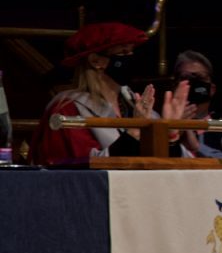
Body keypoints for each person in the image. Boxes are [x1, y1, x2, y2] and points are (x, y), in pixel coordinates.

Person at [31, 22, 189, 165]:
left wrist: (170, 134)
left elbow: (167, 166)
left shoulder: (135, 103)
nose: (131, 58)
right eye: (123, 53)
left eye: (131, 52)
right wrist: (134, 132)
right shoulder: (68, 109)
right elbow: (83, 167)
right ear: (95, 61)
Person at [172, 50, 222, 158]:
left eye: (199, 78)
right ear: (175, 86)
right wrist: (173, 131)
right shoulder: (160, 124)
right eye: (185, 78)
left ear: (212, 89)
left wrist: (197, 148)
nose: (192, 83)